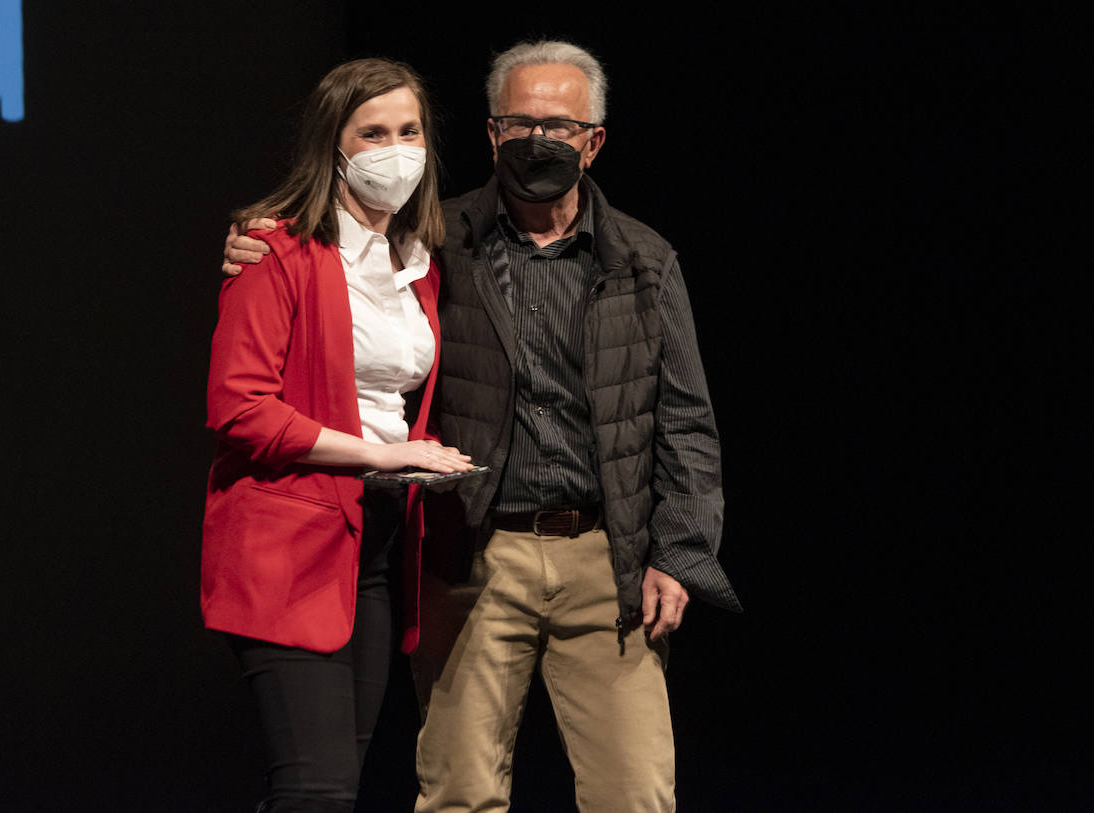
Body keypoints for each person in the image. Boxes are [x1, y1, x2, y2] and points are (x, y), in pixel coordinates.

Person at [224, 41, 740, 813]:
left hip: (608, 561)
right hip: (472, 555)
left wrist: (683, 552)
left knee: (634, 794)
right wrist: (250, 242)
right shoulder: (434, 241)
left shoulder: (644, 259)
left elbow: (687, 421)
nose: (540, 141)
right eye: (520, 123)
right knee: (459, 793)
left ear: (593, 141)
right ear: (493, 135)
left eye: (561, 126)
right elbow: (334, 260)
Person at [203, 57, 472, 813]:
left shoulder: (417, 263)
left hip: (375, 541)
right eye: (374, 133)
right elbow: (240, 408)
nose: (397, 149)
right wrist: (383, 455)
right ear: (335, 147)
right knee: (314, 790)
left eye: (410, 130)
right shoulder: (276, 251)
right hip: (290, 540)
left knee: (335, 786)